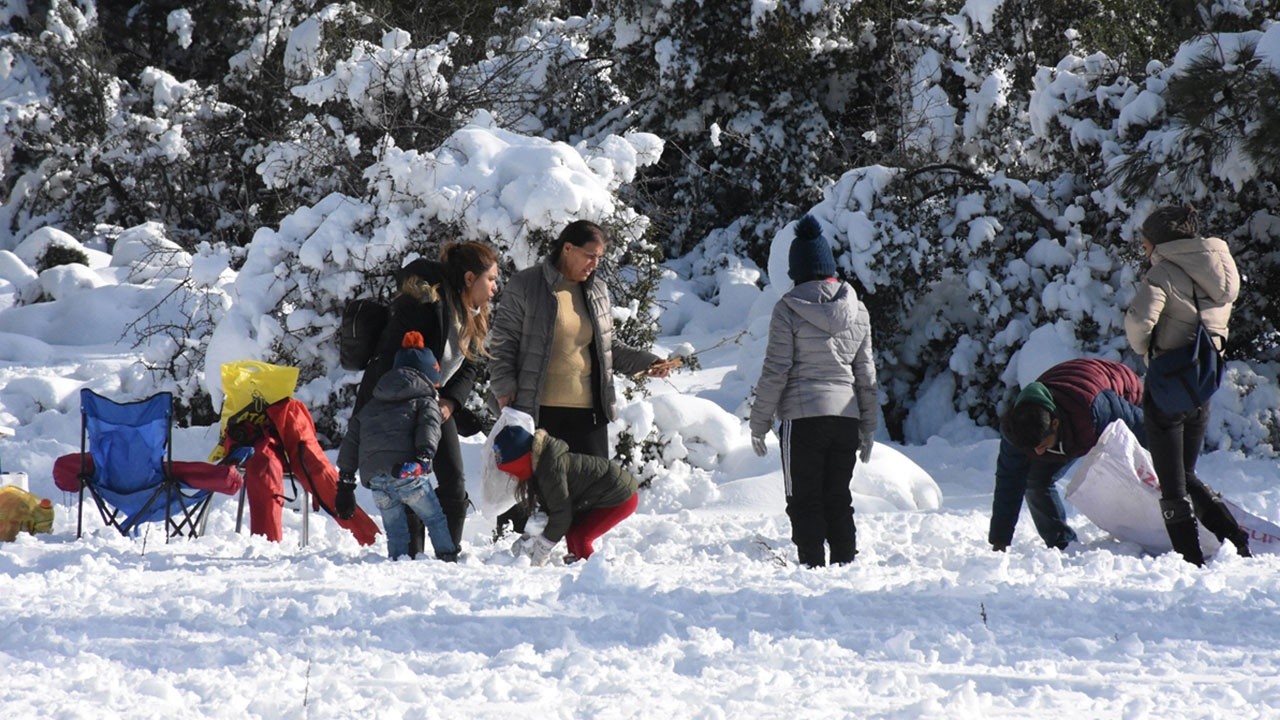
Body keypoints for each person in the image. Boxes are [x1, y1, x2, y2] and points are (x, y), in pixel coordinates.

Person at [488, 219, 670, 533]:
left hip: (588, 412)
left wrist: (647, 362)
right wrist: (504, 386)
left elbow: (607, 347)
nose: (594, 264)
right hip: (536, 408)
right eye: (589, 255)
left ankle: (576, 549)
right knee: (530, 489)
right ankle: (512, 550)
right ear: (567, 248)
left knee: (590, 489)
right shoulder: (526, 285)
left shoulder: (597, 290)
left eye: (600, 258)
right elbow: (502, 341)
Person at [748, 214, 879, 568]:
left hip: (802, 421)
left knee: (803, 499)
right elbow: (865, 374)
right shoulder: (859, 311)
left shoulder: (787, 309)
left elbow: (777, 370)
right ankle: (844, 567)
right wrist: (867, 426)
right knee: (838, 497)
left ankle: (812, 568)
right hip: (846, 419)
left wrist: (758, 423)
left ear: (795, 271)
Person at [354, 241, 499, 555]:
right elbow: (396, 356)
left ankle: (449, 553)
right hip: (397, 404)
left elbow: (471, 366)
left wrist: (450, 402)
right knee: (407, 478)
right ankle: (410, 555)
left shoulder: (474, 314)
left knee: (453, 479)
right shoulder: (426, 304)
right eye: (491, 279)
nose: (495, 287)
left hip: (434, 403)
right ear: (470, 278)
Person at [1124, 204, 1250, 565]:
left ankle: (1188, 559)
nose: (1144, 250)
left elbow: (1138, 321)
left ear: (1159, 243)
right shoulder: (1221, 269)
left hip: (1168, 382)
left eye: (1145, 243)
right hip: (1202, 383)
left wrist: (1148, 352)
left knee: (1173, 483)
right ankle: (1234, 536)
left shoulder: (1163, 272)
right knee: (1185, 472)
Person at [989, 357, 1145, 551]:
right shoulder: (1016, 428)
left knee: (1139, 472)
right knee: (1035, 480)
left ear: (1055, 424)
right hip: (1071, 406)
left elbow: (1147, 431)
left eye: (1043, 445)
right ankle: (1063, 545)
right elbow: (1009, 480)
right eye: (1032, 449)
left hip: (1123, 389)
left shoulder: (1095, 408)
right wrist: (1000, 540)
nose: (1038, 452)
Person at [337, 332, 458, 561]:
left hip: (376, 479)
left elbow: (352, 439)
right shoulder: (425, 400)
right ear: (429, 375)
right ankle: (447, 556)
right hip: (407, 472)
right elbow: (430, 426)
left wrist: (346, 479)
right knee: (434, 518)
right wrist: (424, 455)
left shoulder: (373, 404)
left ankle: (397, 560)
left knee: (396, 528)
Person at [492, 424, 639, 565]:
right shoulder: (543, 466)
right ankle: (576, 567)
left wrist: (544, 545)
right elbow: (550, 508)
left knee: (581, 537)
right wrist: (531, 535)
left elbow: (561, 513)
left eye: (513, 471)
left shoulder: (550, 470)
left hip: (620, 495)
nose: (512, 477)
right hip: (607, 492)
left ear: (522, 461)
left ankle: (593, 576)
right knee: (573, 532)